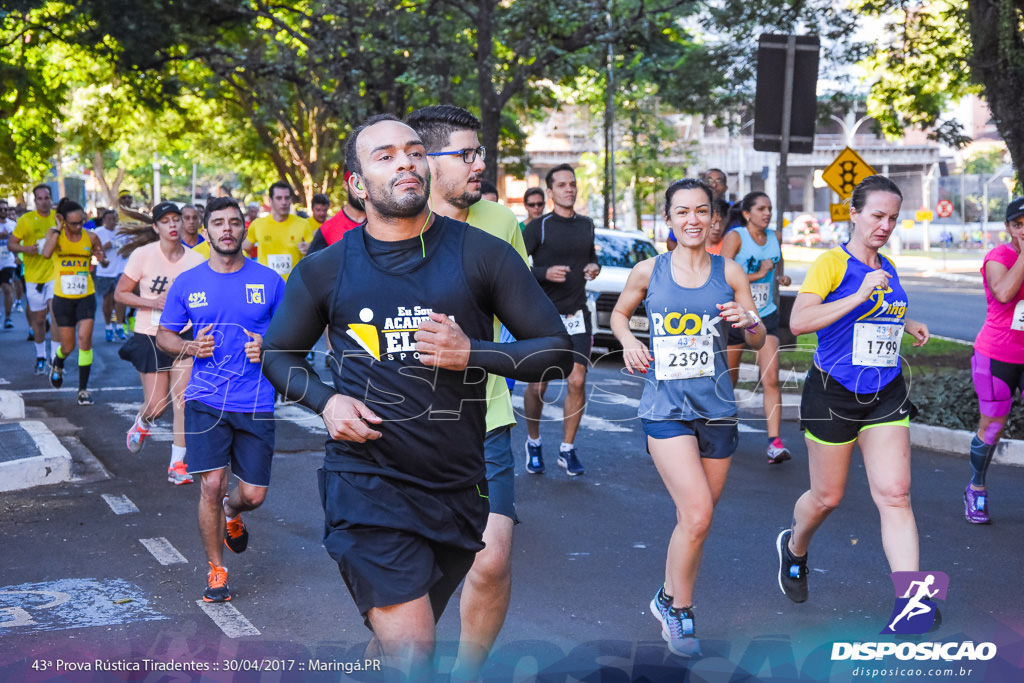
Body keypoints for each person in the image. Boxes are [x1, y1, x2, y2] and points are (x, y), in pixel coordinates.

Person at [260, 114, 573, 678]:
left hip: (456, 486)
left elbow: (555, 349)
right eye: (384, 156)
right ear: (357, 183)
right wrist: (327, 402)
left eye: (412, 152)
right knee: (416, 653)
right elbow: (278, 354)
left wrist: (470, 353)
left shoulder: (481, 254)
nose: (404, 161)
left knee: (405, 641)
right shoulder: (325, 271)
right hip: (366, 481)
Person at [611, 178, 764, 657]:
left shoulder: (731, 271)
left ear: (714, 218)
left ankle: (664, 596)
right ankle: (680, 613)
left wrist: (749, 323)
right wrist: (630, 341)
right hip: (665, 410)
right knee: (697, 513)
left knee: (694, 521)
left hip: (717, 410)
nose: (693, 220)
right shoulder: (648, 270)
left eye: (702, 211)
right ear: (669, 220)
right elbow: (620, 314)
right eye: (682, 212)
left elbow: (757, 339)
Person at [407, 104, 527, 681]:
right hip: (405, 420)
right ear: (426, 162)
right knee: (416, 573)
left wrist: (476, 355)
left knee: (492, 558)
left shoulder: (501, 224)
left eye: (479, 153)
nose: (480, 163)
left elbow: (527, 322)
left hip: (486, 413)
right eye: (467, 154)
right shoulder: (386, 223)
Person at [777, 175, 929, 603]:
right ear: (854, 214)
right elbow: (800, 322)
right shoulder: (832, 263)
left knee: (895, 494)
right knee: (827, 497)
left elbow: (879, 317)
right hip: (834, 391)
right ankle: (794, 546)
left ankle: (912, 600)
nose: (885, 225)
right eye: (877, 215)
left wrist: (906, 322)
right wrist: (860, 293)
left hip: (885, 390)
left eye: (893, 218)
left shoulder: (888, 266)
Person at [156, 196, 284, 603]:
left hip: (256, 399)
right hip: (206, 399)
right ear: (206, 231)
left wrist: (268, 345)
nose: (226, 228)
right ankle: (216, 570)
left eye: (234, 222)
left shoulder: (269, 281)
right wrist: (191, 348)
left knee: (253, 496)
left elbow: (293, 335)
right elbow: (164, 335)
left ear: (245, 228)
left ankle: (234, 513)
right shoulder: (188, 283)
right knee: (210, 484)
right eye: (218, 223)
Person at [115, 201, 206, 483]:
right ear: (156, 228)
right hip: (150, 334)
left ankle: (177, 464)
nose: (173, 225)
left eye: (176, 220)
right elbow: (121, 294)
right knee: (157, 405)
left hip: (183, 336)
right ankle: (142, 422)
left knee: (183, 400)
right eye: (166, 221)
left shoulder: (195, 260)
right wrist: (152, 302)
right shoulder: (143, 255)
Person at [522, 163, 600, 476]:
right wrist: (544, 272)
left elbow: (591, 258)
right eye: (562, 185)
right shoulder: (538, 227)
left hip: (578, 312)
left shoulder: (587, 224)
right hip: (544, 314)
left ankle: (567, 449)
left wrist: (595, 268)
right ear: (551, 191)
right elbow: (514, 266)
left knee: (578, 379)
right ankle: (534, 440)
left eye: (573, 184)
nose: (569, 189)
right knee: (539, 385)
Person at [963, 197, 1024, 524]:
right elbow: (1003, 292)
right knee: (992, 428)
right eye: (1019, 224)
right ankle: (976, 487)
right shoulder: (998, 257)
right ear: (1009, 228)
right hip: (997, 356)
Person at [721, 191, 793, 463]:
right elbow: (722, 276)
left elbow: (777, 266)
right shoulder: (736, 237)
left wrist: (779, 277)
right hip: (737, 316)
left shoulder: (775, 237)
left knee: (771, 377)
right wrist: (758, 275)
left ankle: (774, 443)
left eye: (770, 208)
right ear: (747, 213)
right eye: (761, 208)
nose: (767, 213)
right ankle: (723, 428)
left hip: (765, 316)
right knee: (729, 378)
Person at [40, 198, 107, 405]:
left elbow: (103, 259)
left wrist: (102, 258)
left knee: (85, 340)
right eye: (74, 223)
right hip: (63, 298)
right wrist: (58, 229)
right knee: (67, 346)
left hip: (86, 296)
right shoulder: (54, 235)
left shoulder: (91, 236)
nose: (79, 227)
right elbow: (46, 253)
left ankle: (83, 390)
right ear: (63, 221)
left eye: (82, 222)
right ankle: (58, 361)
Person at [8, 184, 56, 374]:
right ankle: (41, 356)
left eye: (47, 198)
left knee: (55, 314)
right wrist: (25, 249)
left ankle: (54, 359)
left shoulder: (58, 219)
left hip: (54, 274)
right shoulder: (26, 220)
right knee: (39, 319)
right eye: (40, 198)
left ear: (51, 199)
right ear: (35, 201)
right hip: (34, 276)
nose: (44, 202)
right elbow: (12, 244)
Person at [243, 181, 313, 281]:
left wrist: (308, 249)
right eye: (279, 198)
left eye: (287, 198)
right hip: (267, 283)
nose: (284, 202)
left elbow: (313, 253)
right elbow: (245, 248)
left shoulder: (303, 224)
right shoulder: (258, 224)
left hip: (294, 285)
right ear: (270, 200)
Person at [307, 168, 366, 254]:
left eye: (367, 183)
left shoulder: (386, 224)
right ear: (346, 185)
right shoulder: (327, 229)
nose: (362, 189)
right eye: (357, 183)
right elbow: (310, 266)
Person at [93, 210, 131, 342]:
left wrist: (125, 250)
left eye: (114, 218)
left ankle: (120, 326)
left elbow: (130, 248)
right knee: (107, 300)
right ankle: (108, 326)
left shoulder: (122, 232)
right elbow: (95, 252)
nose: (112, 221)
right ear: (104, 220)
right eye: (109, 219)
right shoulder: (98, 232)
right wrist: (105, 247)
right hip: (105, 271)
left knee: (120, 299)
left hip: (121, 269)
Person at [0, 199, 17, 328]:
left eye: (5, 209)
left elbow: (19, 242)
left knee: (7, 288)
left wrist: (18, 257)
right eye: (1, 209)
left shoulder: (13, 225)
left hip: (8, 261)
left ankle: (8, 317)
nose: (3, 211)